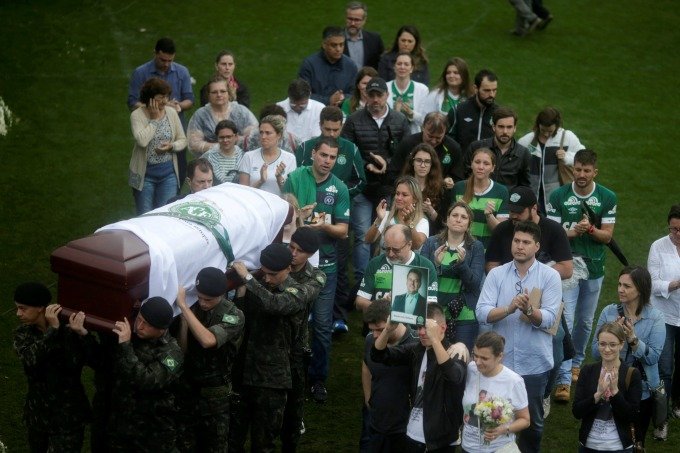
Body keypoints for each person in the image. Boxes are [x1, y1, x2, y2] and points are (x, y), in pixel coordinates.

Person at [485, 185, 574, 414]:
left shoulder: (553, 229)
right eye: (511, 210)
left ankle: (544, 392)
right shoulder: (504, 229)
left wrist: (537, 272)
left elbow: (567, 267)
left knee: (558, 345)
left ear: (534, 208)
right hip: (506, 294)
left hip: (543, 296)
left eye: (519, 211)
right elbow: (491, 264)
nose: (513, 215)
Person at [476, 221, 562, 453]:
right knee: (495, 418)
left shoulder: (550, 276)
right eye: (516, 241)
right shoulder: (496, 274)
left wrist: (529, 311)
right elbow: (482, 312)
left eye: (526, 242)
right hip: (500, 366)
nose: (520, 246)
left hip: (533, 365)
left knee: (531, 426)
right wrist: (509, 308)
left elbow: (551, 318)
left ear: (537, 246)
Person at [547, 149, 618, 402]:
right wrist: (573, 232)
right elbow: (552, 233)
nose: (581, 175)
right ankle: (564, 378)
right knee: (565, 318)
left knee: (586, 321)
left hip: (594, 267)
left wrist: (589, 229)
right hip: (567, 265)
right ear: (572, 169)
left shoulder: (607, 197)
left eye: (587, 171)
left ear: (594, 172)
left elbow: (607, 236)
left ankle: (576, 361)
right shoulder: (558, 196)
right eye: (578, 169)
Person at [283, 137, 350, 403]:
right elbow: (284, 216)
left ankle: (318, 379)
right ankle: (288, 375)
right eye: (323, 155)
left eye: (332, 157)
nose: (327, 161)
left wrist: (322, 225)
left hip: (326, 267)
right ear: (313, 154)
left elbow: (343, 231)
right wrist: (301, 216)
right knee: (290, 322)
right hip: (295, 263)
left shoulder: (340, 188)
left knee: (322, 326)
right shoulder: (295, 178)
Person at [229, 244, 309, 453]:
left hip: (272, 380)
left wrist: (247, 279)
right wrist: (240, 293)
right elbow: (239, 318)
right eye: (264, 273)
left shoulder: (297, 292)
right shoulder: (257, 284)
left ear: (288, 269)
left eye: (273, 274)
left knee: (263, 442)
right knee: (233, 439)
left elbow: (274, 305)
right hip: (245, 371)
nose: (267, 278)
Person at [294, 106, 367, 333]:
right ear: (320, 126)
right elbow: (297, 179)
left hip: (338, 213)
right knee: (303, 263)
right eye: (328, 129)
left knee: (339, 265)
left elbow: (360, 180)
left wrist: (339, 195)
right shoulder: (307, 148)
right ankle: (306, 311)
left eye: (336, 129)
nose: (333, 134)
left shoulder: (350, 149)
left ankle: (338, 315)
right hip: (307, 214)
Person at [341, 76, 410, 291]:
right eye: (371, 95)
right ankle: (364, 280)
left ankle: (387, 281)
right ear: (365, 96)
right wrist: (368, 166)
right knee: (363, 234)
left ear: (387, 96)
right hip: (363, 187)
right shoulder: (353, 120)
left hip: (389, 188)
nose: (375, 99)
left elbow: (406, 154)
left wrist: (385, 166)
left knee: (388, 233)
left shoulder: (399, 120)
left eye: (379, 95)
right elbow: (347, 152)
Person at [371, 303, 467, 452]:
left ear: (442, 328)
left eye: (426, 328)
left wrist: (435, 340)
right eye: (419, 327)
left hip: (441, 440)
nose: (421, 332)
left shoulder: (455, 352)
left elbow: (454, 377)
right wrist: (387, 330)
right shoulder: (416, 350)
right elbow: (378, 355)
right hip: (411, 435)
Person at [590, 266, 666, 446]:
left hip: (642, 389)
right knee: (606, 437)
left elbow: (653, 357)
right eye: (619, 284)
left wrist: (633, 340)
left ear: (640, 289)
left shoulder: (656, 318)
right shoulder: (609, 312)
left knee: (635, 440)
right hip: (608, 385)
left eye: (627, 286)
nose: (620, 289)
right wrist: (613, 338)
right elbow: (594, 352)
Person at [13, 282, 92, 453]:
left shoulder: (70, 330)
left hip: (68, 416)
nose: (18, 314)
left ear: (41, 308)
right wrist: (52, 331)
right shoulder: (23, 334)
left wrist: (84, 335)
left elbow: (97, 361)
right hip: (38, 415)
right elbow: (30, 359)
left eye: (23, 308)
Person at [175, 267, 245, 453]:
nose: (203, 303)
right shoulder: (194, 308)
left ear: (222, 294)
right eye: (199, 297)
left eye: (208, 299)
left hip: (216, 396)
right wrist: (183, 323)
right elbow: (183, 351)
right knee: (186, 444)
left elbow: (208, 341)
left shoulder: (234, 315)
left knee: (215, 446)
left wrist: (183, 306)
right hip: (189, 389)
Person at [108, 296, 184, 452]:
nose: (139, 326)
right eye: (139, 319)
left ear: (162, 329)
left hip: (154, 433)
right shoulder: (132, 338)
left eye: (147, 324)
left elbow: (147, 380)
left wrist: (125, 346)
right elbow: (103, 363)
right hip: (123, 426)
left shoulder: (172, 354)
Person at [282, 227, 326, 452]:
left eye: (299, 251)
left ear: (310, 254)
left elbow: (301, 296)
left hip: (298, 347)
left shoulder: (316, 276)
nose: (293, 253)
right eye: (291, 247)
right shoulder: (278, 264)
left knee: (294, 403)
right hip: (273, 345)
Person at [127, 37, 194, 182]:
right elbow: (132, 101)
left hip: (174, 128)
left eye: (170, 60)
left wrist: (178, 106)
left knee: (179, 173)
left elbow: (189, 100)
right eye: (163, 60)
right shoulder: (140, 73)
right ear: (155, 53)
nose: (166, 64)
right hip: (148, 126)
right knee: (146, 167)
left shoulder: (182, 72)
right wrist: (154, 108)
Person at [421, 202, 485, 351]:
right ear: (447, 220)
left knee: (460, 359)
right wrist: (435, 264)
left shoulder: (476, 247)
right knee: (433, 358)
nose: (458, 219)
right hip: (434, 313)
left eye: (463, 217)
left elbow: (474, 283)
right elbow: (421, 279)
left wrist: (462, 265)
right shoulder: (431, 243)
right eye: (454, 215)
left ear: (469, 224)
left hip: (464, 315)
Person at [573, 322, 642, 453]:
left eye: (612, 345)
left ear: (621, 345)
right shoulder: (588, 371)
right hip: (588, 445)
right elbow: (577, 412)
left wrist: (615, 393)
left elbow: (632, 416)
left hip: (619, 447)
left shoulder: (632, 374)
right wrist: (597, 395)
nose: (607, 349)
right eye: (602, 344)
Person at [361, 299, 417, 452]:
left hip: (405, 427)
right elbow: (366, 366)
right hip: (376, 421)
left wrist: (461, 346)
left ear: (393, 321)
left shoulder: (417, 343)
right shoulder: (369, 340)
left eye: (380, 329)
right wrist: (368, 398)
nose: (375, 335)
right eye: (372, 330)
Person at [461, 331, 530, 453]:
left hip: (498, 449)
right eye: (475, 355)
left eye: (484, 358)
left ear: (499, 356)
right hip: (468, 447)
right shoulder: (471, 369)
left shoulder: (514, 381)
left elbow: (525, 420)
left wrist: (503, 429)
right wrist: (460, 345)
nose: (477, 362)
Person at [129, 77, 187, 215]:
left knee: (165, 214)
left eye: (166, 97)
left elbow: (183, 139)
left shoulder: (171, 112)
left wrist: (172, 146)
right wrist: (154, 121)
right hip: (145, 176)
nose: (165, 101)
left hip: (168, 174)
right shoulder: (136, 115)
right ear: (149, 98)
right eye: (160, 98)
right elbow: (142, 141)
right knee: (145, 216)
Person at [356, 224, 438, 312]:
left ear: (409, 244)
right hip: (380, 322)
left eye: (396, 250)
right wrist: (382, 306)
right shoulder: (375, 263)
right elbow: (360, 302)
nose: (391, 254)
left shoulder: (425, 265)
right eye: (387, 249)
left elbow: (431, 307)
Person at [517, 107, 585, 211]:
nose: (546, 134)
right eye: (543, 130)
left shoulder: (567, 137)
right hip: (533, 194)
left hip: (557, 195)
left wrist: (567, 157)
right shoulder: (527, 141)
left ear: (557, 126)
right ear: (538, 124)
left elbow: (583, 157)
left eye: (550, 131)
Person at [649, 205, 680, 427]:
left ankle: (677, 403)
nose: (677, 234)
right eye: (673, 229)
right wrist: (675, 284)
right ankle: (662, 416)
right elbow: (652, 282)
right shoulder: (658, 246)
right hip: (665, 317)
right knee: (665, 368)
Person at [389, 111, 465, 189]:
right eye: (430, 136)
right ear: (423, 127)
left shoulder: (453, 148)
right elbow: (393, 173)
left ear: (445, 132)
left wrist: (449, 181)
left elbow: (458, 177)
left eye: (438, 138)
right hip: (410, 191)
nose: (433, 141)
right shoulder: (407, 144)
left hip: (441, 193)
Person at [452, 147, 509, 249]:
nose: (481, 167)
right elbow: (450, 223)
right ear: (471, 164)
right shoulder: (459, 188)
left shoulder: (501, 191)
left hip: (488, 251)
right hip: (460, 249)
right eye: (477, 162)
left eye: (486, 164)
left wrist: (489, 216)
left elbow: (502, 232)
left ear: (493, 168)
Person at [187, 76, 257, 156]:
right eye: (214, 92)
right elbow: (194, 143)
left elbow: (254, 136)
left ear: (229, 93)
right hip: (209, 161)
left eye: (223, 91)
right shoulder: (200, 115)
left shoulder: (241, 112)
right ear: (208, 95)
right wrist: (220, 146)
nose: (219, 95)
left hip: (240, 159)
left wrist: (237, 141)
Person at [467, 106, 531, 188]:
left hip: (508, 199)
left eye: (509, 127)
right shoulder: (476, 147)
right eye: (501, 127)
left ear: (515, 128)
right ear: (494, 127)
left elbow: (525, 187)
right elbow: (464, 176)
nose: (505, 131)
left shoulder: (523, 154)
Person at [399, 143, 453, 234]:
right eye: (419, 160)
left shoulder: (441, 189)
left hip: (431, 238)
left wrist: (430, 210)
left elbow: (445, 224)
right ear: (412, 162)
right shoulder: (402, 185)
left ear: (432, 164)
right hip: (404, 234)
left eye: (427, 161)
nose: (423, 165)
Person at [299, 26, 358, 107]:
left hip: (342, 112)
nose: (338, 49)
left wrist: (342, 98)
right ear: (324, 44)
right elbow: (303, 94)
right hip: (316, 112)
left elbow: (355, 94)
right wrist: (328, 100)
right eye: (334, 45)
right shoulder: (309, 65)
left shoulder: (351, 65)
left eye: (341, 45)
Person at [366, 175, 429, 251]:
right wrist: (379, 219)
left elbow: (416, 246)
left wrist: (409, 223)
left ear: (415, 199)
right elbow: (368, 240)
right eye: (397, 193)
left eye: (404, 195)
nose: (399, 198)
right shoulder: (386, 216)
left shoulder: (422, 221)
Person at [238, 115, 297, 196]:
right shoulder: (248, 156)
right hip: (254, 206)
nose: (263, 137)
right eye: (261, 132)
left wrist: (279, 177)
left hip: (279, 207)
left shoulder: (290, 158)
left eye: (268, 133)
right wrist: (261, 181)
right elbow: (242, 193)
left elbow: (290, 194)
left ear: (279, 135)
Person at [447, 69, 498, 152]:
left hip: (488, 164)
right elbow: (448, 141)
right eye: (487, 90)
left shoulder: (499, 114)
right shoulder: (458, 111)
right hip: (462, 163)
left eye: (494, 90)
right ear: (476, 88)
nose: (491, 94)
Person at [386, 52, 430, 134]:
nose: (402, 67)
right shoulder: (385, 87)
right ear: (394, 67)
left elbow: (425, 120)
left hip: (413, 136)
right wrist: (395, 113)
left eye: (406, 64)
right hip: (390, 135)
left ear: (412, 68)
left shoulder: (422, 89)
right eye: (399, 64)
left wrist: (411, 114)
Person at [343, 2, 384, 70]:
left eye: (357, 20)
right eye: (350, 19)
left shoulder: (375, 40)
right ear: (345, 18)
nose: (352, 23)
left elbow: (382, 65)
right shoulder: (335, 39)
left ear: (364, 20)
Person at [204, 120, 244, 185]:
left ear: (236, 137)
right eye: (222, 137)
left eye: (228, 137)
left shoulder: (244, 157)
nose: (225, 140)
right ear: (217, 138)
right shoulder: (207, 158)